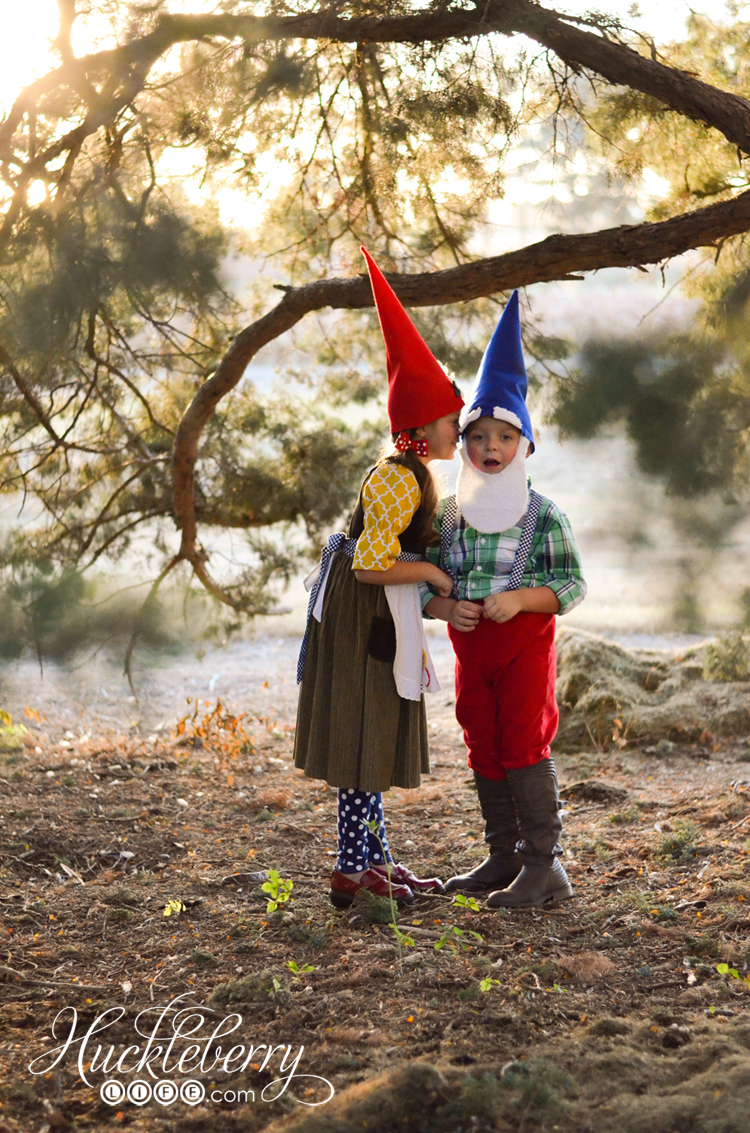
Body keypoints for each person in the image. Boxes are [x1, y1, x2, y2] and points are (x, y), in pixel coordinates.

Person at [294, 246, 464, 908]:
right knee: (361, 737)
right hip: (359, 618)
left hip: (372, 617)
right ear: (425, 421)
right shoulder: (396, 476)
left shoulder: (415, 474)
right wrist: (431, 573)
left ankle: (376, 861)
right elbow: (370, 562)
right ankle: (350, 867)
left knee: (370, 738)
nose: (461, 425)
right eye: (454, 416)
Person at [421, 292, 586, 908]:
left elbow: (571, 585)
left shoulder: (542, 515)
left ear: (524, 444)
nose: (491, 447)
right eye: (479, 437)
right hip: (473, 653)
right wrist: (444, 608)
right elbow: (427, 581)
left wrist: (522, 601)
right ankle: (503, 854)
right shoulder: (450, 516)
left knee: (522, 742)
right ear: (464, 446)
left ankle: (545, 865)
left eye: (505, 436)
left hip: (522, 650)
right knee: (482, 741)